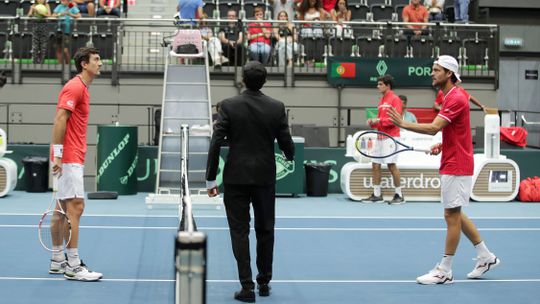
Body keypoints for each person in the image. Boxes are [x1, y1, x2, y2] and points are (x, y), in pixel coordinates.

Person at [388, 55, 500, 284]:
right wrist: (444, 143)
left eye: (436, 70)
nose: (432, 73)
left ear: (449, 73)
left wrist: (402, 123)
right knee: (455, 213)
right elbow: (453, 130)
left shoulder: (456, 98)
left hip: (457, 163)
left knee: (451, 214)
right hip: (453, 158)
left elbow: (433, 128)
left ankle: (445, 270)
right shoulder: (451, 95)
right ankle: (485, 256)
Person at [206, 61, 295, 302]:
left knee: (239, 231)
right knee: (266, 229)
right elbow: (287, 142)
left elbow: (216, 142)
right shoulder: (276, 107)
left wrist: (210, 179)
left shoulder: (229, 106)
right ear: (265, 81)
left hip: (236, 177)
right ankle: (264, 282)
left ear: (242, 80)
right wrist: (290, 154)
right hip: (265, 177)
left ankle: (247, 287)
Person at [50, 47, 103, 281]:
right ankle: (73, 264)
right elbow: (60, 118)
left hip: (70, 155)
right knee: (76, 208)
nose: (100, 63)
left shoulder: (83, 88)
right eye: (96, 60)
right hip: (69, 157)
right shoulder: (74, 87)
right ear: (84, 63)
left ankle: (57, 259)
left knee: (60, 210)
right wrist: (59, 155)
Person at [363, 75, 405, 205]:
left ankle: (399, 195)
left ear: (388, 85)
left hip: (391, 138)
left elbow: (395, 120)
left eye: (380, 84)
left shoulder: (395, 99)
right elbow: (380, 121)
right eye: (378, 84)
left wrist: (379, 120)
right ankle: (377, 195)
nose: (377, 86)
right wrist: (372, 123)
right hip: (380, 137)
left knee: (391, 165)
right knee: (375, 164)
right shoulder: (382, 100)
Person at [52, 0, 82, 65]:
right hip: (58, 30)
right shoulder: (59, 6)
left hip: (67, 31)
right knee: (58, 49)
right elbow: (53, 15)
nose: (63, 1)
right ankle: (60, 65)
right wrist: (60, 14)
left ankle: (68, 65)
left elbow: (79, 15)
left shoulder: (71, 6)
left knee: (65, 49)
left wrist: (70, 14)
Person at [28, 0, 52, 64]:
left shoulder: (47, 5)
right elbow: (29, 15)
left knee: (43, 46)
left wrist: (41, 13)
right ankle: (34, 62)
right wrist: (32, 10)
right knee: (35, 46)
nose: (40, 0)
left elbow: (49, 15)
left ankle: (42, 62)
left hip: (44, 26)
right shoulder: (33, 5)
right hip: (35, 26)